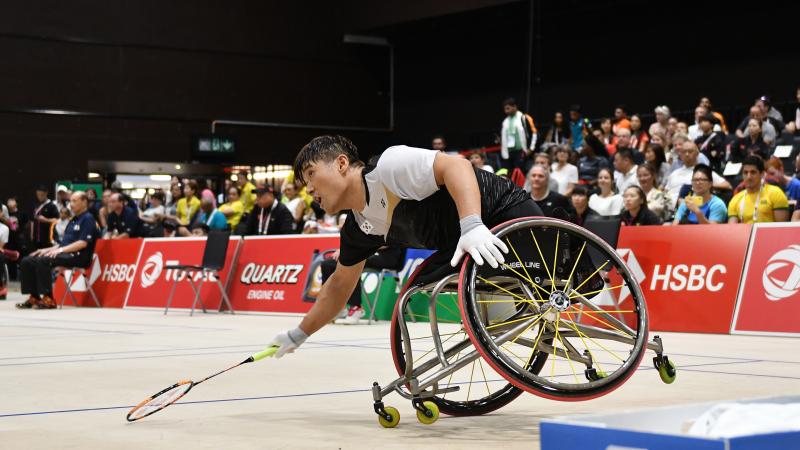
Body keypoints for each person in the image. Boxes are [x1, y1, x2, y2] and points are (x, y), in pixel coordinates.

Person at [268, 135, 544, 358]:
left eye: (311, 174)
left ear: (341, 163)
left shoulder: (389, 168)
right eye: (304, 184)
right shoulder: (358, 228)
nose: (308, 189)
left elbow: (456, 166)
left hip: (505, 213)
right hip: (462, 244)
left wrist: (471, 224)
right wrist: (299, 333)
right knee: (413, 291)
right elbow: (339, 285)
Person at [16, 192, 97, 310]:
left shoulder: (88, 219)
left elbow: (82, 243)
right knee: (28, 260)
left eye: (74, 201)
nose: (71, 204)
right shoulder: (73, 220)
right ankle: (34, 296)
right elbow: (63, 244)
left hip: (79, 256)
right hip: (66, 253)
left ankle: (49, 299)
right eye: (70, 201)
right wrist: (46, 249)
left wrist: (60, 250)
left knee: (44, 260)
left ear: (84, 202)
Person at [665, 142, 730, 209]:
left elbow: (727, 185)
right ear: (680, 155)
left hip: (691, 208)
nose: (687, 154)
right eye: (684, 152)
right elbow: (666, 191)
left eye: (690, 151)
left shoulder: (704, 172)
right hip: (668, 209)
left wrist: (706, 185)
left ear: (697, 154)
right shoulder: (674, 173)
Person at [728, 156, 790, 224]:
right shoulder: (736, 199)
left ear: (762, 174)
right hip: (744, 234)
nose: (749, 177)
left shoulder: (776, 193)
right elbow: (732, 229)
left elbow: (781, 228)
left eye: (753, 172)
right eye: (745, 173)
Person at [500, 97, 537, 171]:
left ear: (514, 107)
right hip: (509, 151)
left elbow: (534, 133)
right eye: (505, 109)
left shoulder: (524, 117)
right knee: (510, 172)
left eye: (508, 108)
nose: (506, 111)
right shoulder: (505, 122)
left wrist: (531, 148)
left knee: (520, 171)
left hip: (521, 150)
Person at [30, 185, 60, 250]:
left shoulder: (52, 206)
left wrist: (45, 220)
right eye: (38, 194)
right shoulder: (36, 205)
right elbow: (32, 220)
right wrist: (32, 234)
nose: (39, 196)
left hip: (47, 238)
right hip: (36, 238)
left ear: (46, 193)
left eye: (42, 195)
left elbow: (57, 220)